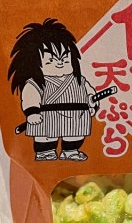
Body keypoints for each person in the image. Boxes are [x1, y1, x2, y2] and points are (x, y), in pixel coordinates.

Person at [8, 18, 97, 161]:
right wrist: (32, 112)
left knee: (74, 134)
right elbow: (30, 97)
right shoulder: (35, 83)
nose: (60, 63)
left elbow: (89, 92)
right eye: (51, 60)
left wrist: (92, 103)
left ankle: (70, 151)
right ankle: (45, 152)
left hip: (76, 116)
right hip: (46, 117)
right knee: (46, 136)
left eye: (65, 59)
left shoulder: (78, 80)